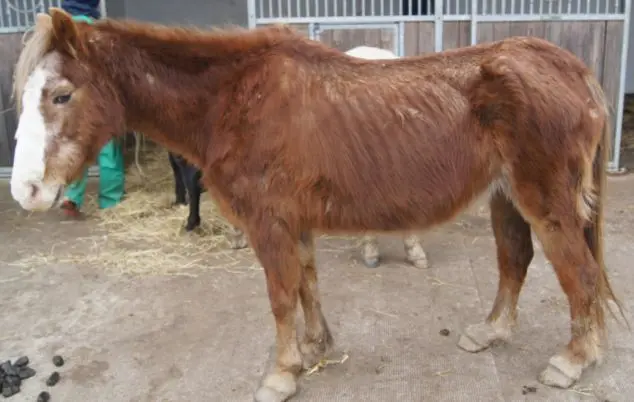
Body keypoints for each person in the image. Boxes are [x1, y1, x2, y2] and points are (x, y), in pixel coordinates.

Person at [58, 0, 126, 217]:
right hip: (99, 100)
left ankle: (71, 196)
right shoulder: (98, 35)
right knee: (108, 149)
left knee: (77, 146)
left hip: (72, 102)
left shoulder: (59, 36)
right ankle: (110, 201)